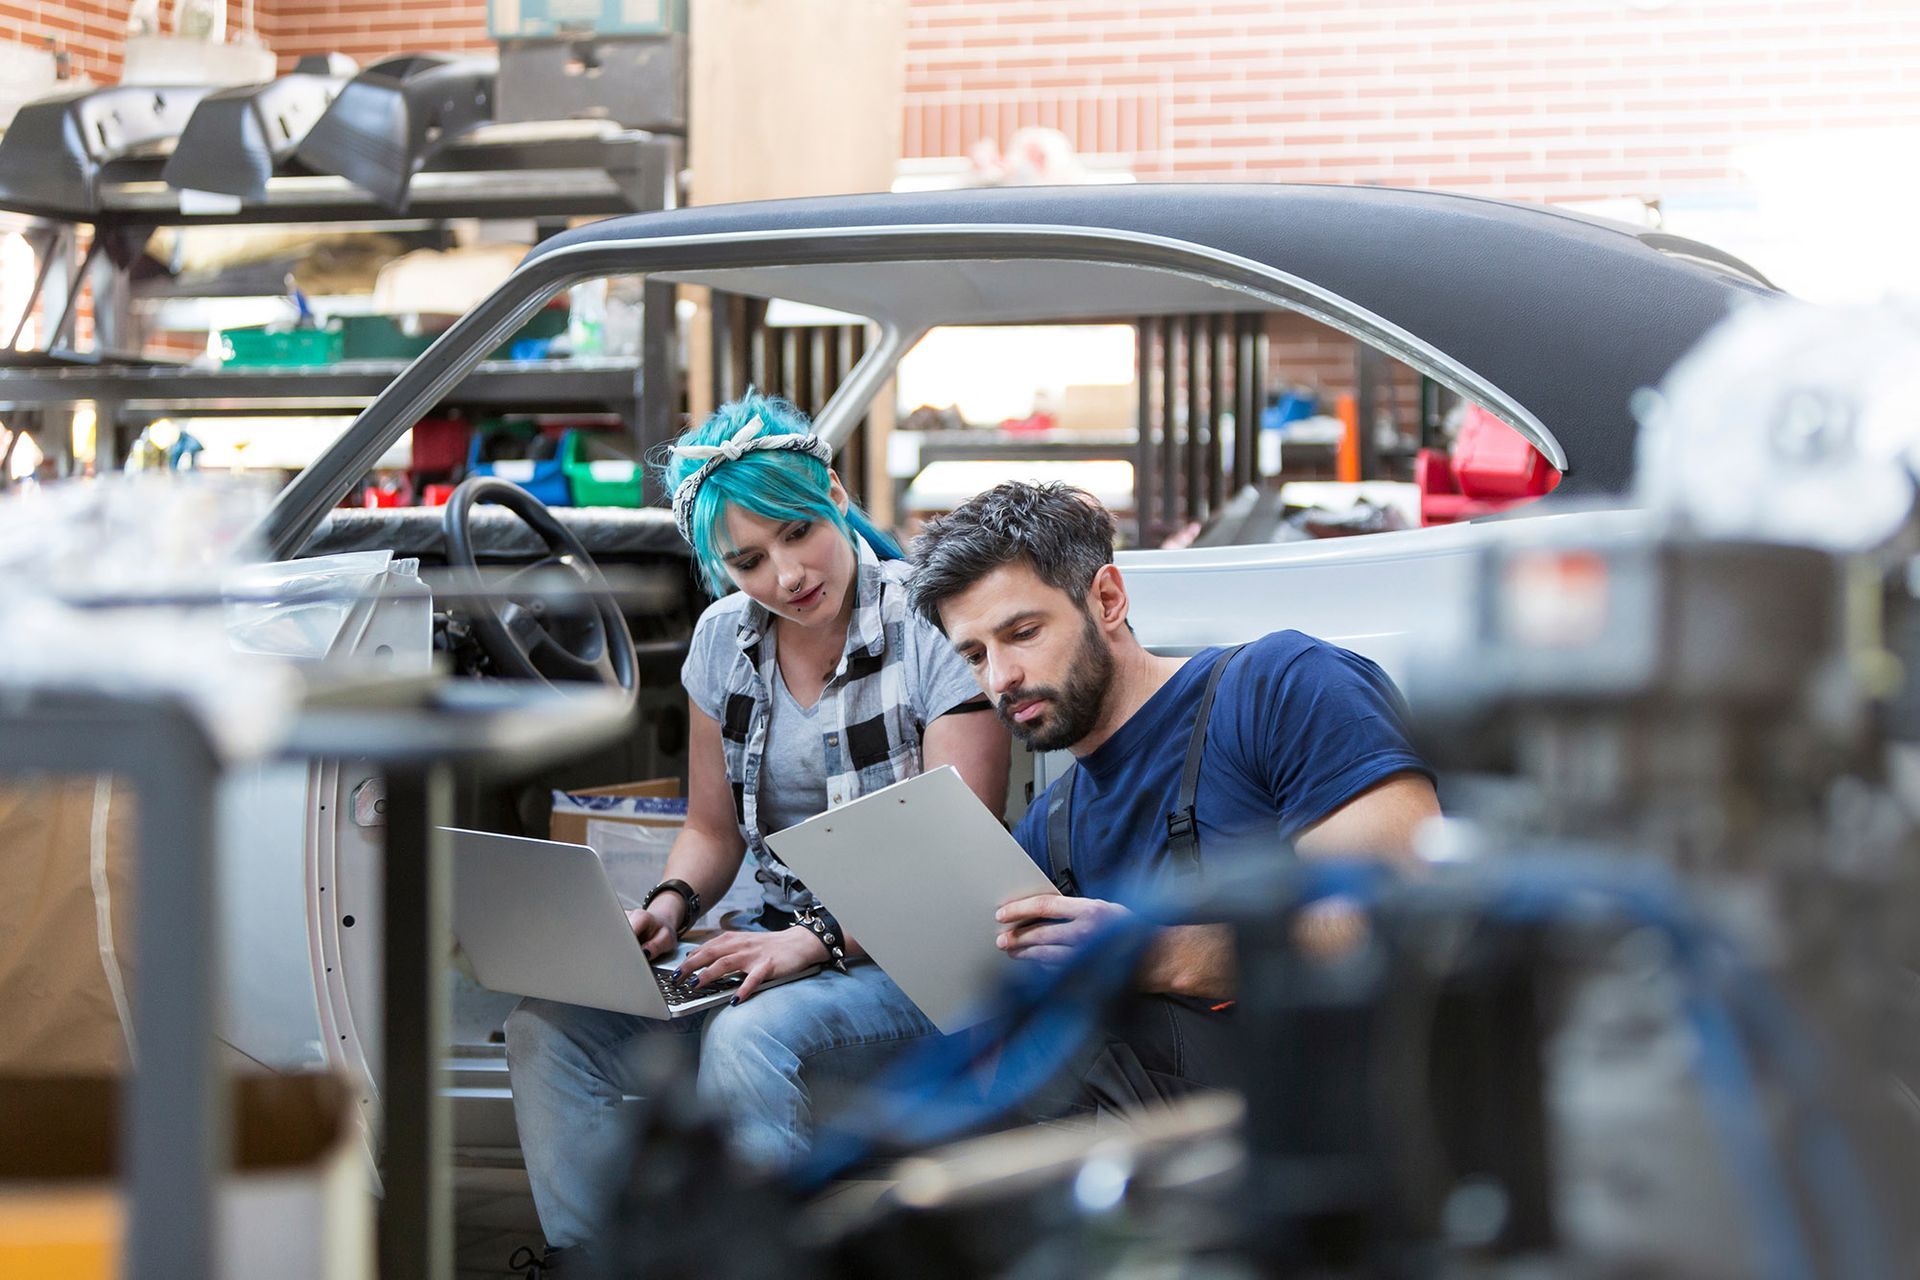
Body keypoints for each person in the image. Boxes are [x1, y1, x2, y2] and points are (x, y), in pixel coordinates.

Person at [505, 395, 1010, 1254]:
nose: (786, 574)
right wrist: (665, 907)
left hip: (926, 963)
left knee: (748, 1036)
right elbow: (711, 831)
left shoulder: (932, 623)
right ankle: (596, 1264)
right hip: (779, 950)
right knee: (545, 1031)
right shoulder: (719, 642)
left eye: (796, 531)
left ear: (837, 495)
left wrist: (810, 942)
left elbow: (949, 863)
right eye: (747, 561)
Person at [908, 480, 1439, 1108]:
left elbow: (1403, 922)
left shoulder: (1286, 689)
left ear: (1106, 598)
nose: (1001, 678)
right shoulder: (1047, 831)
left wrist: (1155, 953)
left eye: (1022, 632)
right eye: (974, 655)